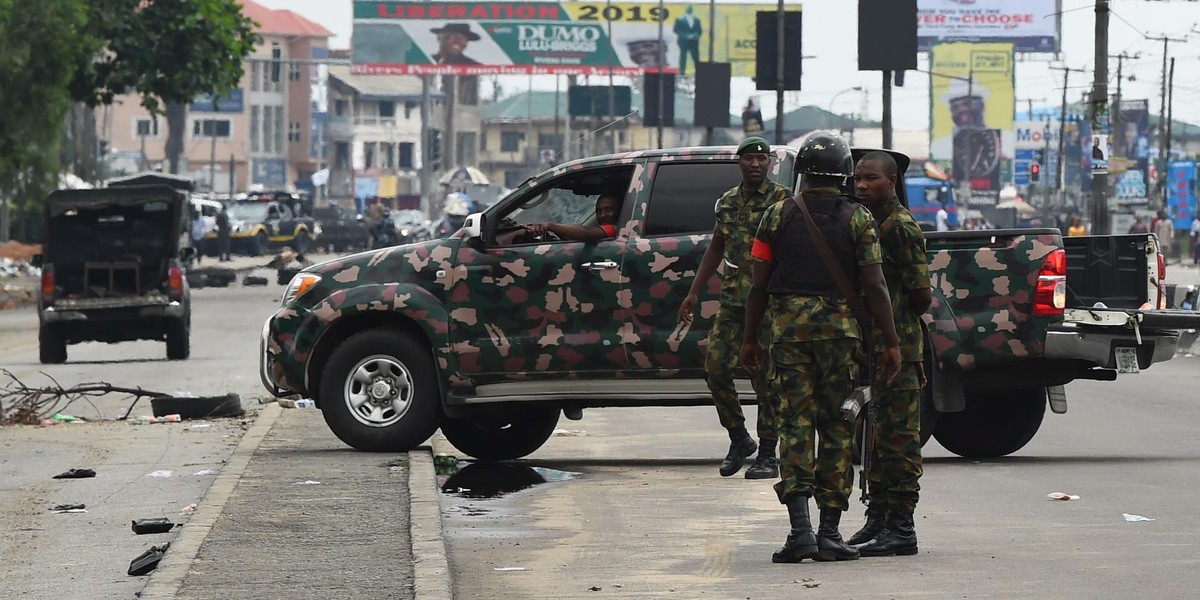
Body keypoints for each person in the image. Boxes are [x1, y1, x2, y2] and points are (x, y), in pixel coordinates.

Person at [740, 130, 901, 563]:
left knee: (795, 427)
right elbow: (875, 284)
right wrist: (890, 342)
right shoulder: (860, 219)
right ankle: (830, 533)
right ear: (846, 173)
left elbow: (758, 284)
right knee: (837, 429)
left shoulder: (773, 216)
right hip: (841, 339)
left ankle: (800, 533)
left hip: (788, 337)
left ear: (802, 174)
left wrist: (750, 338)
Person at [678, 136, 791, 480]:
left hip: (769, 299)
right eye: (748, 159)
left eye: (761, 158)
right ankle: (740, 438)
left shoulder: (783, 200)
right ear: (739, 163)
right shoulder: (726, 202)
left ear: (770, 163)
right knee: (715, 369)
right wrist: (693, 293)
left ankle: (769, 453)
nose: (755, 164)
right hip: (733, 297)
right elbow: (716, 247)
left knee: (765, 378)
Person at [845, 151, 932, 557]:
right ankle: (877, 518)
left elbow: (921, 295)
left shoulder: (899, 227)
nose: (861, 186)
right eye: (857, 179)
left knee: (898, 440)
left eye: (871, 179)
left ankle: (902, 528)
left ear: (891, 182)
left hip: (900, 347)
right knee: (876, 440)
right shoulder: (867, 222)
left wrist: (893, 320)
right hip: (872, 347)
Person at [527, 194, 622, 242]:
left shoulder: (615, 229)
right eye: (598, 211)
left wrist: (549, 226)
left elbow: (586, 233)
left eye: (608, 210)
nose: (602, 215)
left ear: (620, 211)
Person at [673, 6, 702, 75]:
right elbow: (676, 30)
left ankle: (698, 71)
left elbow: (699, 31)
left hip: (694, 41)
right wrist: (685, 35)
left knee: (695, 57)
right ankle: (682, 71)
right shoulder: (680, 20)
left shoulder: (696, 20)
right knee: (683, 56)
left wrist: (695, 35)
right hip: (683, 41)